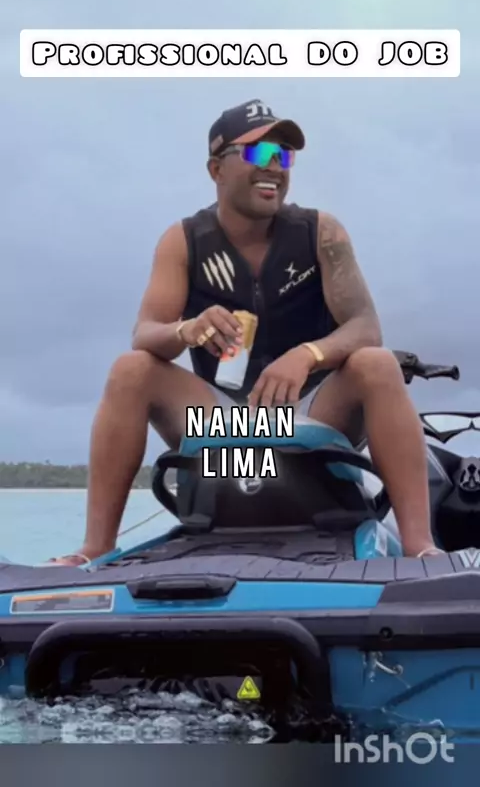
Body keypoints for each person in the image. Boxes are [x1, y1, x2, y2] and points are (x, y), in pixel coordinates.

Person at [49, 98, 440, 565]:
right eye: (258, 153)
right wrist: (187, 329)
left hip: (315, 420)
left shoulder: (321, 232)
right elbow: (145, 333)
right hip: (227, 430)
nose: (274, 167)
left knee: (376, 362)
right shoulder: (183, 241)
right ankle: (95, 548)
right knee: (130, 369)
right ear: (216, 169)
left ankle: (420, 549)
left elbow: (366, 327)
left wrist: (308, 355)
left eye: (283, 156)